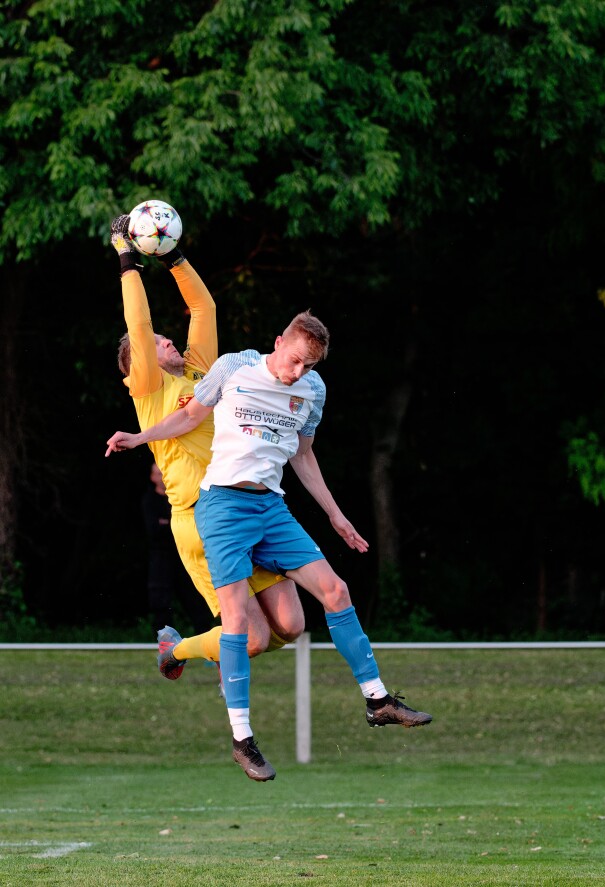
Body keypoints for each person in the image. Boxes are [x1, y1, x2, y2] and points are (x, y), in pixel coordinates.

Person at [105, 310, 432, 782]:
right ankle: (242, 739)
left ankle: (377, 700)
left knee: (333, 593)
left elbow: (303, 455)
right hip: (221, 508)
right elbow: (189, 416)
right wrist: (139, 438)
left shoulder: (312, 391)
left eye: (309, 366)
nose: (298, 373)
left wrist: (336, 516)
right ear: (278, 341)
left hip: (271, 509)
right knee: (240, 625)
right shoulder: (234, 366)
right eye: (295, 360)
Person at [109, 214, 305, 675]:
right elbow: (138, 324)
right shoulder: (147, 388)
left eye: (164, 338)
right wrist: (127, 259)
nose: (166, 340)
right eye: (158, 343)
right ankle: (175, 652)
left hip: (241, 504)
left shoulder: (201, 371)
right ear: (139, 362)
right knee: (253, 638)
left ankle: (216, 648)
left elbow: (204, 309)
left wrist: (173, 256)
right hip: (198, 518)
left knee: (290, 628)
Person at [141, 462, 213, 636]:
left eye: (164, 472)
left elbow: (196, 525)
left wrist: (166, 523)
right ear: (152, 477)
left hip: (186, 554)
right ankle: (166, 647)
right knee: (161, 601)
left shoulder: (181, 497)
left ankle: (208, 646)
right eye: (158, 473)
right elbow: (153, 530)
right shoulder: (149, 499)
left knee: (197, 599)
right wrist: (173, 525)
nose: (162, 476)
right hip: (161, 558)